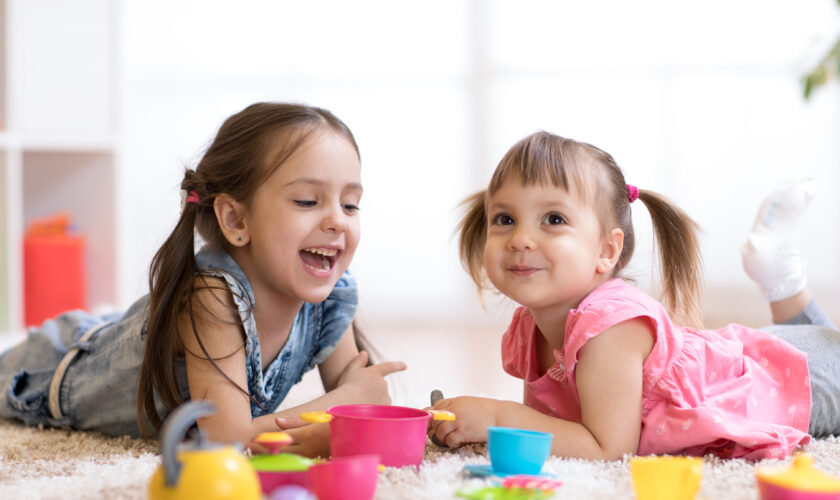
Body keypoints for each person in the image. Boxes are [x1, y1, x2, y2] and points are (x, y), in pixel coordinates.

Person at [0, 102, 406, 457]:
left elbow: (359, 402)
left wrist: (358, 406)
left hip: (109, 333)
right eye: (306, 201)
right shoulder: (213, 297)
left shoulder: (330, 299)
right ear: (236, 219)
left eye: (351, 205)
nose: (337, 220)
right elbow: (227, 440)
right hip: (56, 369)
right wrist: (342, 404)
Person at [430, 130, 840, 460]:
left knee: (828, 349)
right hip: (762, 353)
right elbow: (548, 432)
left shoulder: (611, 327)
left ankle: (785, 282)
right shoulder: (529, 325)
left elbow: (607, 447)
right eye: (504, 219)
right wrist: (472, 422)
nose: (520, 238)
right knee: (816, 340)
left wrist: (497, 416)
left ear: (606, 251)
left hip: (799, 385)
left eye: (553, 219)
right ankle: (785, 284)